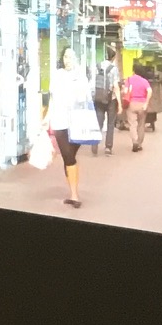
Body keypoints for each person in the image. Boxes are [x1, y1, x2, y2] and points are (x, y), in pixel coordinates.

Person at [46, 47, 101, 209]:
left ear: (76, 59)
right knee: (68, 156)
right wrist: (47, 118)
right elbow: (52, 99)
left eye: (70, 57)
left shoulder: (81, 77)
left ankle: (73, 192)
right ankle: (74, 195)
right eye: (65, 56)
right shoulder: (57, 76)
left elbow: (86, 100)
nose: (67, 60)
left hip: (77, 122)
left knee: (70, 157)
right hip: (60, 121)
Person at [92, 56, 122, 153]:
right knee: (110, 123)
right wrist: (120, 103)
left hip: (98, 98)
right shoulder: (113, 69)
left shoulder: (97, 66)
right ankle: (108, 147)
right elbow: (116, 86)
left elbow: (92, 83)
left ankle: (94, 144)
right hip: (111, 99)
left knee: (98, 122)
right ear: (113, 57)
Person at [123, 65, 152, 152]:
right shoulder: (144, 81)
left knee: (132, 124)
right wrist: (146, 103)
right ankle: (139, 144)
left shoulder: (129, 80)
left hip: (131, 104)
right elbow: (149, 91)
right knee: (141, 125)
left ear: (134, 71)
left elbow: (125, 91)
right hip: (142, 105)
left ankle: (135, 141)